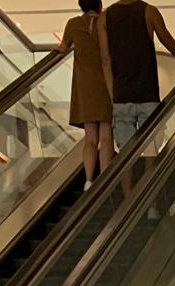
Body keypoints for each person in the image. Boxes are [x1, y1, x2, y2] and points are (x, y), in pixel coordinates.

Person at [98, 0, 175, 155]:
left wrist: (113, 97)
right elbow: (169, 43)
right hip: (148, 94)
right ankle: (149, 171)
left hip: (122, 96)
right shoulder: (149, 11)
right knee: (151, 151)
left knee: (125, 155)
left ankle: (129, 173)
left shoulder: (104, 17)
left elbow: (106, 61)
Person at [61, 0, 113, 189]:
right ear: (99, 5)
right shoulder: (107, 21)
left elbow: (63, 47)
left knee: (90, 137)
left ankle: (89, 180)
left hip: (84, 87)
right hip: (106, 84)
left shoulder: (74, 23)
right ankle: (105, 179)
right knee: (106, 135)